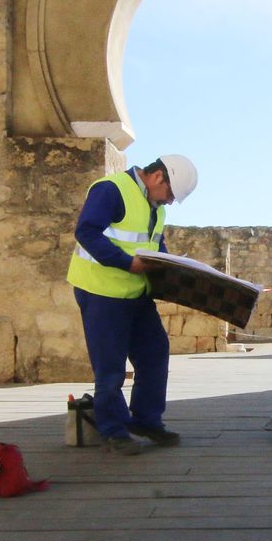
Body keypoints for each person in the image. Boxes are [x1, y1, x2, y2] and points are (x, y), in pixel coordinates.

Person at [67, 155, 198, 456]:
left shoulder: (155, 207)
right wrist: (127, 263)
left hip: (135, 293)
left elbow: (153, 245)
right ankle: (113, 430)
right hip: (101, 290)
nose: (169, 203)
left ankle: (146, 420)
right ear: (157, 178)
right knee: (110, 367)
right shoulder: (111, 189)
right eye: (169, 195)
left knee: (154, 352)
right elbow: (86, 232)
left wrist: (170, 266)